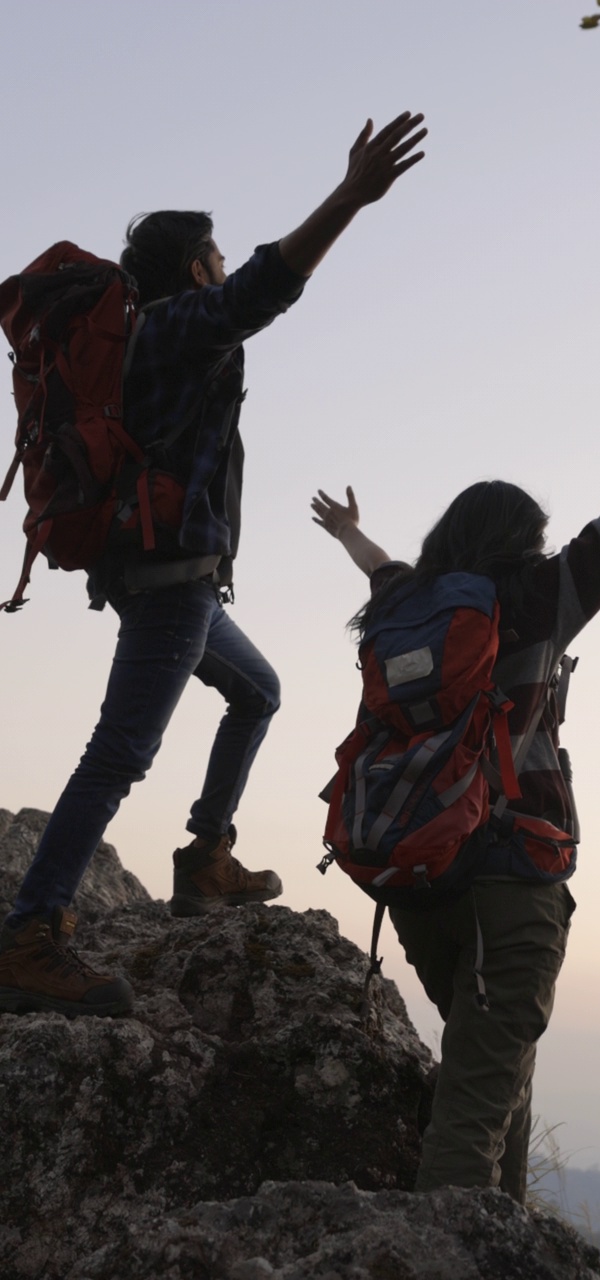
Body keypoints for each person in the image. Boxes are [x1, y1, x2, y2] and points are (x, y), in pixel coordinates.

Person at [0, 112, 427, 1020]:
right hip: (170, 585)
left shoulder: (145, 341)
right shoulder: (172, 331)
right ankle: (29, 932)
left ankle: (205, 860)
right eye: (217, 255)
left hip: (161, 578)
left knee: (258, 691)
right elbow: (265, 290)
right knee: (120, 751)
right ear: (196, 268)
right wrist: (349, 196)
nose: (226, 266)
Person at [311, 427, 600, 1203]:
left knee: (494, 1059)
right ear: (520, 544)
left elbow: (377, 564)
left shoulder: (403, 604)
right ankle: (447, 1239)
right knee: (474, 1098)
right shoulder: (537, 599)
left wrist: (346, 530)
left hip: (419, 876)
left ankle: (502, 1230)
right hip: (515, 876)